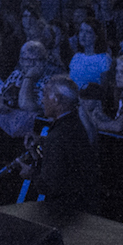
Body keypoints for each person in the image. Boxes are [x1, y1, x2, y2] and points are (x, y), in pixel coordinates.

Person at [18, 75, 98, 212]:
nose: (42, 100)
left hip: (66, 210)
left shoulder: (59, 135)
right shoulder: (77, 123)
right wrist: (42, 142)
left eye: (45, 95)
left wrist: (31, 173)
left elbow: (50, 185)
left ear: (57, 99)